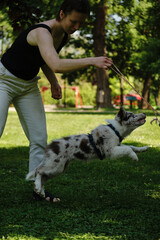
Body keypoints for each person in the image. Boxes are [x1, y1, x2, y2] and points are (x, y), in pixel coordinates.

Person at [0, 0, 112, 203]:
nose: (77, 27)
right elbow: (56, 63)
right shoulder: (42, 32)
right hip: (4, 80)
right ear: (61, 14)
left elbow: (44, 60)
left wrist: (53, 82)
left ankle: (38, 190)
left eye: (81, 23)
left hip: (27, 86)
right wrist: (92, 60)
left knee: (39, 139)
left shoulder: (64, 36)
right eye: (73, 22)